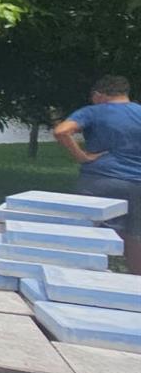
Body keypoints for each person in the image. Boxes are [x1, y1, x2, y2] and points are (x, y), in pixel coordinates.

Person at [54, 75, 141, 273]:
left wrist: (82, 156)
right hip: (138, 183)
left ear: (98, 95)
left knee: (91, 234)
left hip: (100, 181)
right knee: (135, 236)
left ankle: (91, 279)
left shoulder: (93, 112)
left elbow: (62, 131)